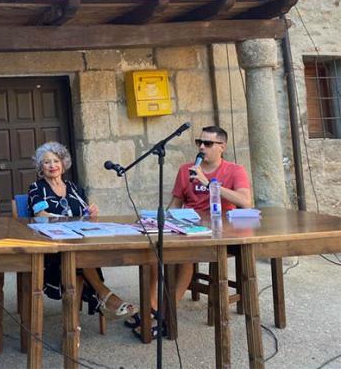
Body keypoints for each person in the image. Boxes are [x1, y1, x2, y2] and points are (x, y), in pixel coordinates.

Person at [128, 125, 252, 339]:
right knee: (152, 252)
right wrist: (161, 222)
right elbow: (176, 203)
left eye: (208, 143)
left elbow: (245, 201)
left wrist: (208, 183)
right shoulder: (186, 170)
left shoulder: (234, 170)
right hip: (188, 225)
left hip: (218, 230)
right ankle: (152, 307)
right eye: (199, 142)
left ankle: (167, 313)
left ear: (222, 146)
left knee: (184, 257)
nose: (202, 147)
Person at [28, 141, 136, 319]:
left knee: (82, 255)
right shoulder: (37, 188)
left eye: (56, 160)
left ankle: (88, 309)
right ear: (41, 167)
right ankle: (104, 296)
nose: (52, 165)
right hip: (52, 248)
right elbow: (41, 214)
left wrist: (91, 212)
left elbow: (85, 213)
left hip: (78, 242)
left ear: (63, 164)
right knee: (78, 257)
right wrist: (69, 221)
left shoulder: (73, 188)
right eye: (47, 162)